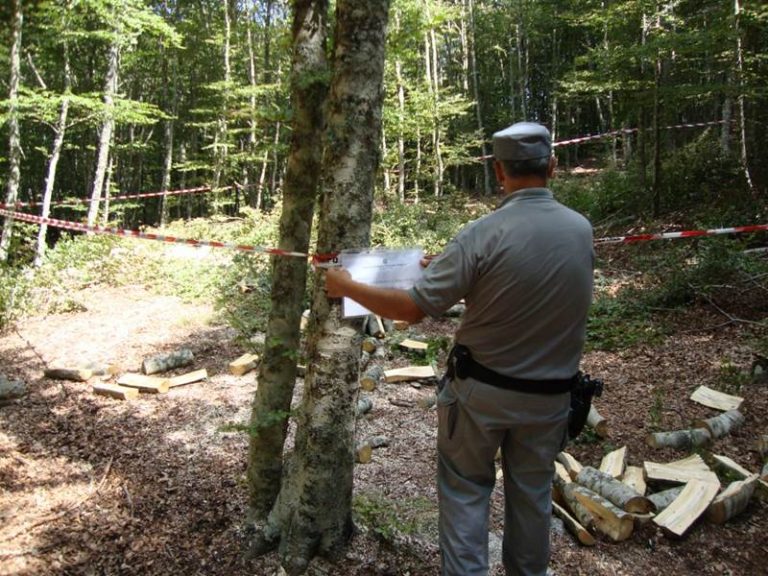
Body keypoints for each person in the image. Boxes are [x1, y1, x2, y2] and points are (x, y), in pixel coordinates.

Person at [325, 121, 594, 576]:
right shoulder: (580, 230)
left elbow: (411, 310)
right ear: (552, 166)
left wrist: (345, 284)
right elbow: (530, 284)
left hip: (480, 397)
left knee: (466, 491)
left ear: (498, 171)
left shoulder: (481, 234)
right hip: (550, 401)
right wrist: (453, 270)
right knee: (532, 497)